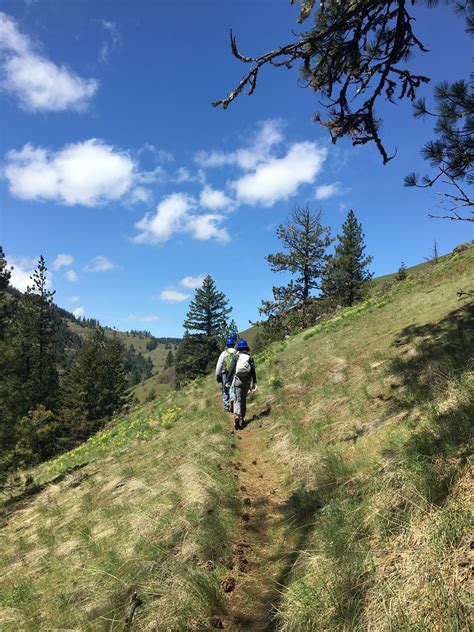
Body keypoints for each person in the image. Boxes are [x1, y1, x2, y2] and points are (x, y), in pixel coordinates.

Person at [226, 339, 257, 430]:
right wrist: (254, 381)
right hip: (246, 381)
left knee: (237, 399)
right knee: (243, 399)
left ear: (238, 348)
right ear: (246, 347)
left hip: (237, 381)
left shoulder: (236, 357)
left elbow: (231, 369)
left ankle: (236, 416)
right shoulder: (249, 357)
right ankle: (242, 418)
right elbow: (253, 371)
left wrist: (228, 380)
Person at [215, 336, 237, 411]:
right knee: (233, 387)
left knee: (225, 389)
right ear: (234, 344)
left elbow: (219, 365)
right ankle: (233, 399)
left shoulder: (223, 353)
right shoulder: (237, 352)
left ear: (227, 345)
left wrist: (218, 375)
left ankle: (226, 406)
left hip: (225, 373)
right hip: (234, 372)